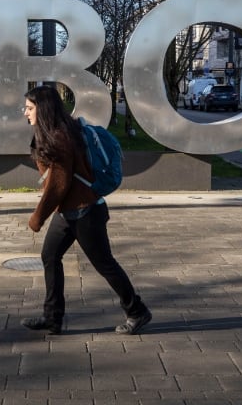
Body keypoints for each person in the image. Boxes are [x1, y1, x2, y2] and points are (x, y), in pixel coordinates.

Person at [20, 85, 151, 335]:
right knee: (50, 256)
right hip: (69, 212)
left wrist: (38, 216)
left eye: (29, 108)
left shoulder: (60, 137)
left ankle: (137, 311)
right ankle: (52, 318)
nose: (25, 113)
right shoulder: (55, 132)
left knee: (104, 264)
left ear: (43, 109)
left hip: (85, 211)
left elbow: (58, 184)